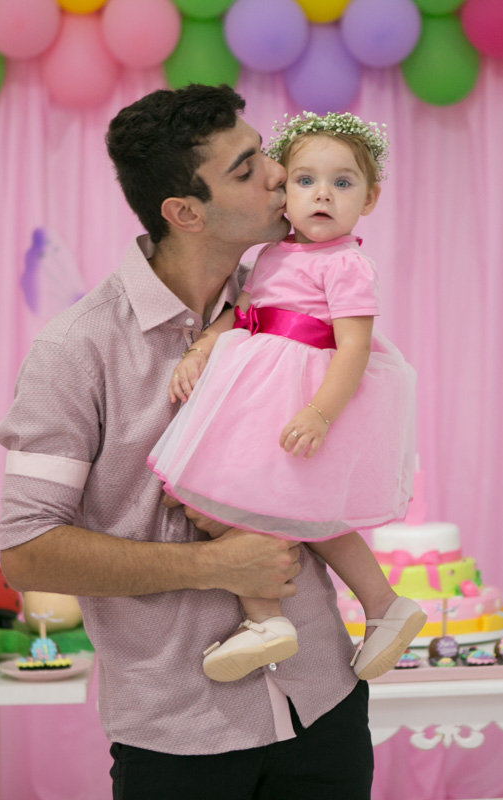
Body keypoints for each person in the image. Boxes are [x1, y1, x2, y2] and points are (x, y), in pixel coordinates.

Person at [0, 86, 373, 799]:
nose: (278, 174)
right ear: (185, 212)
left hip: (325, 702)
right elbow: (26, 549)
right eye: (246, 168)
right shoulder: (76, 350)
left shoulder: (294, 300)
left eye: (264, 152)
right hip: (180, 733)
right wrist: (213, 565)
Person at [149, 111, 425, 685]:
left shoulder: (348, 264)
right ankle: (281, 618)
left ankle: (368, 605)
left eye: (342, 183)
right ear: (284, 194)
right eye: (305, 180)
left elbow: (354, 346)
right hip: (254, 400)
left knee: (301, 510)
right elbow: (243, 314)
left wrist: (319, 412)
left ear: (369, 198)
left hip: (303, 401)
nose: (322, 194)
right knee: (232, 502)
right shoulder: (270, 254)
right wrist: (201, 349)